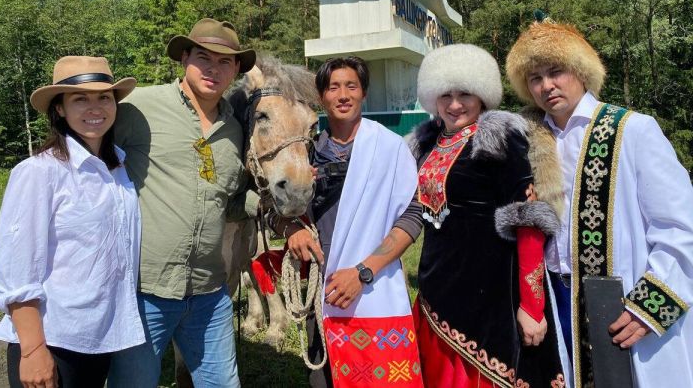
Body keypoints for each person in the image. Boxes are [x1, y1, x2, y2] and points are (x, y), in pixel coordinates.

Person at [506, 20, 693, 387]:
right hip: (554, 301)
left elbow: (680, 226)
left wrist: (648, 307)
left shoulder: (633, 130)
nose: (547, 85)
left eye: (555, 71)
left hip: (624, 301)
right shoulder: (524, 140)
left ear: (579, 69)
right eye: (535, 78)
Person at [107, 18, 256, 387]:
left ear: (236, 69)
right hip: (145, 292)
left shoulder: (235, 129)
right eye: (203, 57)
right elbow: (89, 163)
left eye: (225, 62)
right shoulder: (138, 108)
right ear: (184, 58)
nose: (213, 69)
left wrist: (273, 209)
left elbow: (229, 201)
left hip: (210, 294)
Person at [406, 44, 566, 387]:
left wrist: (533, 306)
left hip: (491, 298)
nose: (454, 104)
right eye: (445, 94)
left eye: (464, 93)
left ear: (482, 94)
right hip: (436, 291)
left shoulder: (499, 136)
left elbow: (529, 222)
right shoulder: (425, 144)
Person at [270, 56, 424, 388]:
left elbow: (411, 216)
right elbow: (273, 211)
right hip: (320, 290)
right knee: (324, 379)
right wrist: (292, 228)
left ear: (363, 93)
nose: (343, 95)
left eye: (351, 86)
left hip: (375, 286)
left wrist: (364, 271)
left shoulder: (390, 148)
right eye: (333, 87)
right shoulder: (305, 154)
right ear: (321, 97)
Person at [0, 56, 143, 388]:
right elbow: (16, 269)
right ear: (59, 109)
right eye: (80, 99)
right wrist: (32, 351)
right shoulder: (40, 172)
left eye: (104, 97)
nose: (95, 107)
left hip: (98, 336)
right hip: (54, 339)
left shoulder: (117, 170)